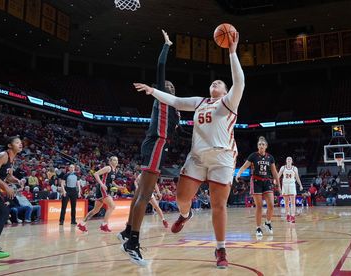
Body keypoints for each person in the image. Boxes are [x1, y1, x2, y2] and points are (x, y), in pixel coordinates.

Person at [133, 30, 244, 269]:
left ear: (225, 92)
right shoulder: (199, 102)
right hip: (197, 157)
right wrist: (153, 91)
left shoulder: (229, 102)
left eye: (220, 83)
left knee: (218, 205)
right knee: (182, 197)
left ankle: (221, 249)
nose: (216, 83)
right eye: (213, 82)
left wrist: (232, 53)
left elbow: (240, 81)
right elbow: (174, 101)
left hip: (223, 158)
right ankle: (185, 215)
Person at [119, 30, 180, 266]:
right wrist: (166, 45)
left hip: (156, 145)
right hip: (155, 143)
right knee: (145, 195)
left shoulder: (174, 107)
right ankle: (132, 243)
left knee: (139, 193)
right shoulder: (162, 97)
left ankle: (127, 231)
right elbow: (161, 66)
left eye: (171, 86)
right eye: (166, 85)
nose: (169, 86)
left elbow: (176, 130)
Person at [236, 136, 280, 238]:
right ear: (257, 146)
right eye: (259, 144)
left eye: (263, 144)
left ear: (266, 146)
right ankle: (258, 228)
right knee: (259, 206)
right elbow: (244, 166)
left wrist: (278, 184)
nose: (261, 146)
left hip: (267, 181)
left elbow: (274, 172)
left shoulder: (270, 157)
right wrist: (238, 174)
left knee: (271, 205)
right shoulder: (253, 156)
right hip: (256, 182)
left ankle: (268, 222)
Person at [77, 156, 122, 232]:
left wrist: (117, 186)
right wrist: (102, 184)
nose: (116, 161)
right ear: (110, 161)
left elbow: (111, 181)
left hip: (104, 189)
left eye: (117, 160)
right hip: (102, 189)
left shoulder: (115, 170)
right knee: (112, 206)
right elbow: (96, 174)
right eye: (114, 160)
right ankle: (104, 225)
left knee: (96, 210)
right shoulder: (108, 168)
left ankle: (82, 224)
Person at [278, 157, 303, 223]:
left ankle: (293, 216)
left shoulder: (294, 168)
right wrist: (276, 180)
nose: (289, 160)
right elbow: (278, 175)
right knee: (286, 203)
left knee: (292, 202)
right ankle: (288, 215)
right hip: (285, 185)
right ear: (286, 161)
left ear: (292, 161)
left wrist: (300, 185)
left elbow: (297, 177)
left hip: (292, 185)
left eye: (290, 159)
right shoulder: (283, 168)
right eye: (288, 159)